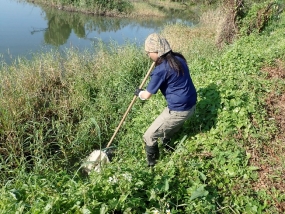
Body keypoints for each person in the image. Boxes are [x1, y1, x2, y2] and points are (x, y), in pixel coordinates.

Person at [134, 33, 197, 167]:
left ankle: (153, 165)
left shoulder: (161, 69)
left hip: (179, 111)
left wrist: (139, 93)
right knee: (165, 130)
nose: (148, 55)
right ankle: (169, 146)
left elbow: (146, 96)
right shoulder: (178, 58)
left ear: (157, 52)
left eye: (149, 52)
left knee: (149, 136)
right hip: (191, 105)